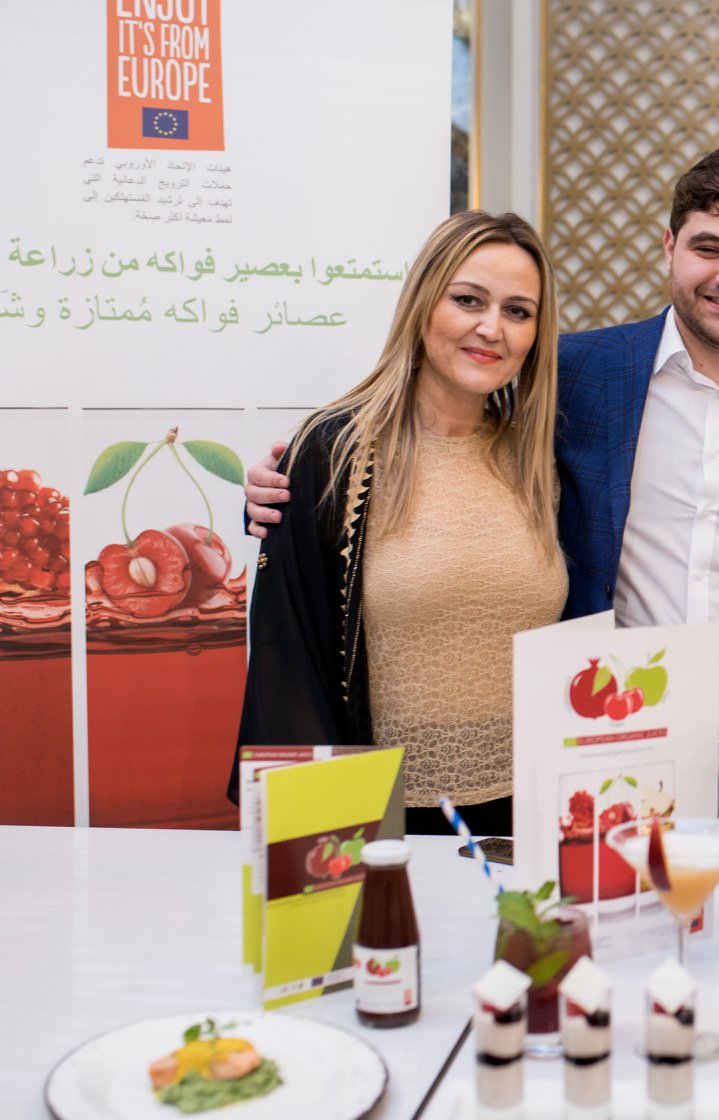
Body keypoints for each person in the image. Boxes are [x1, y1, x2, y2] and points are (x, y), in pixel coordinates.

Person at [243, 145, 719, 830]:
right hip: (596, 769)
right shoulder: (575, 377)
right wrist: (287, 497)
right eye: (708, 247)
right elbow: (388, 485)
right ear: (669, 247)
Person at [232, 210, 565, 837]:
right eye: (468, 300)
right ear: (422, 303)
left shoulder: (540, 460)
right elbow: (288, 657)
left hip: (531, 817)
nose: (492, 328)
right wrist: (327, 841)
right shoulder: (333, 453)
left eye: (519, 311)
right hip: (380, 822)